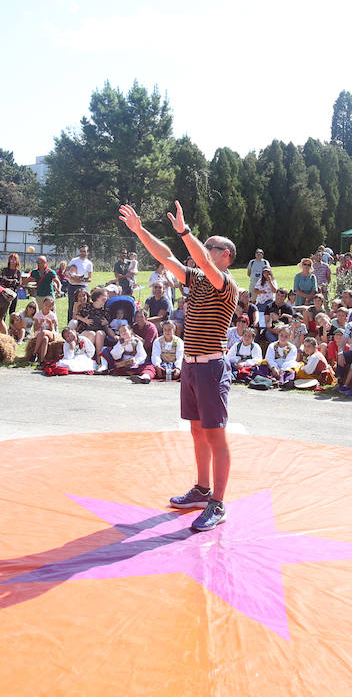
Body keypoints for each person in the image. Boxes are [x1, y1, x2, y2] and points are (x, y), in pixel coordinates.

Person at [119, 200, 238, 533]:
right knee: (197, 430)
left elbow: (196, 255)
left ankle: (218, 502)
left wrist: (185, 231)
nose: (202, 253)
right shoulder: (197, 280)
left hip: (212, 367)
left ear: (224, 255)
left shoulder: (226, 284)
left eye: (210, 248)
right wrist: (140, 230)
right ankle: (201, 490)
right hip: (190, 365)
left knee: (216, 435)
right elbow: (165, 257)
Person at [66, 245, 94, 309]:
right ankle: (71, 319)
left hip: (83, 286)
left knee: (83, 306)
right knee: (72, 306)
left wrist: (81, 280)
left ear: (87, 252)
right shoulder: (74, 260)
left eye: (84, 251)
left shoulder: (89, 263)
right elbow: (65, 272)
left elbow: (90, 279)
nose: (82, 253)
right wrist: (72, 278)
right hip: (72, 286)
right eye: (81, 251)